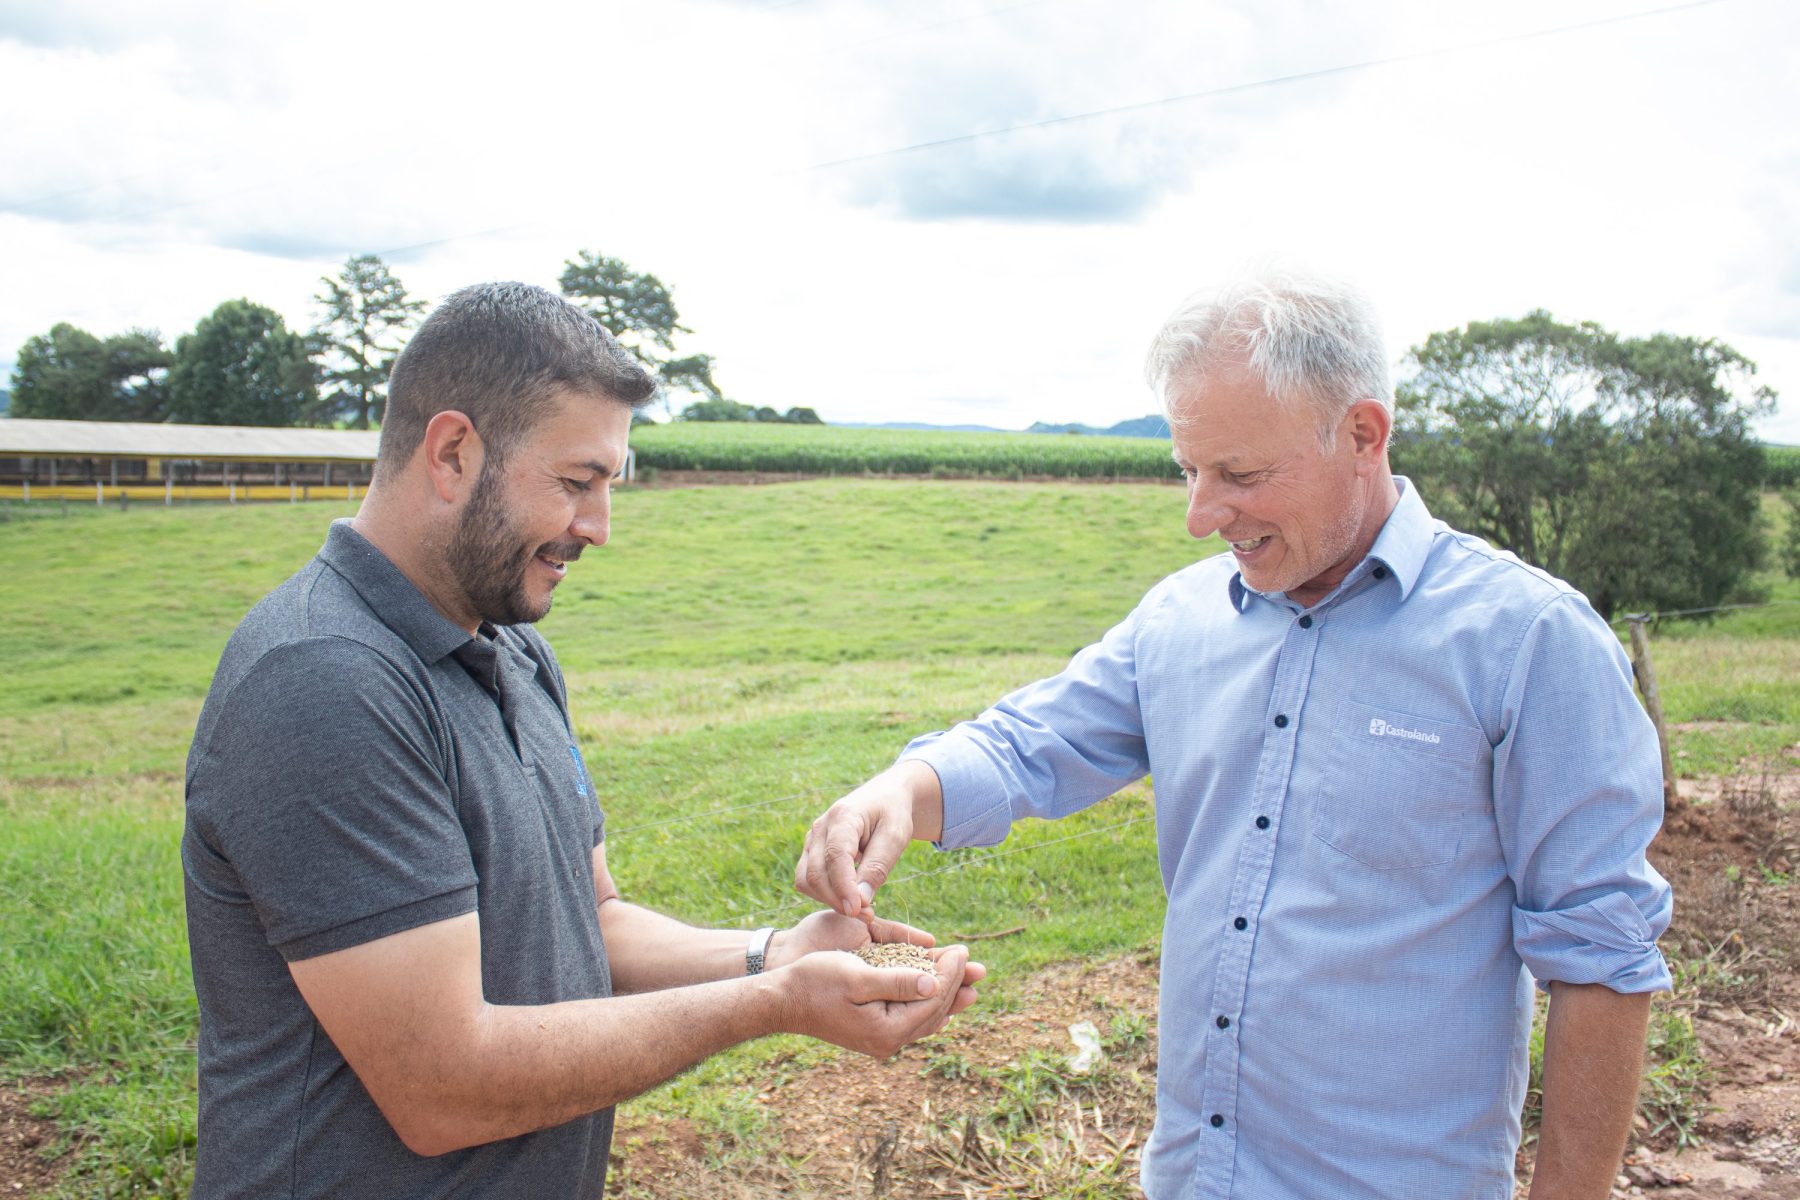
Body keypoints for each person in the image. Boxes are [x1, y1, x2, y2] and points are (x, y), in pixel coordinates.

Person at [795, 267, 1672, 1200]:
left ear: (1363, 435)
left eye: (1240, 475)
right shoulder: (1181, 620)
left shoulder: (1528, 640)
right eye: (1190, 470)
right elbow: (1027, 744)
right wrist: (904, 789)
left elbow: (1601, 954)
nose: (1200, 516)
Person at [181, 281, 982, 1200]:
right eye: (576, 483)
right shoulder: (324, 681)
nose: (598, 528)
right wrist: (773, 1004)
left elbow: (591, 923)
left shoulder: (512, 650)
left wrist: (776, 954)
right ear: (452, 453)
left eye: (608, 486)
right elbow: (444, 1086)